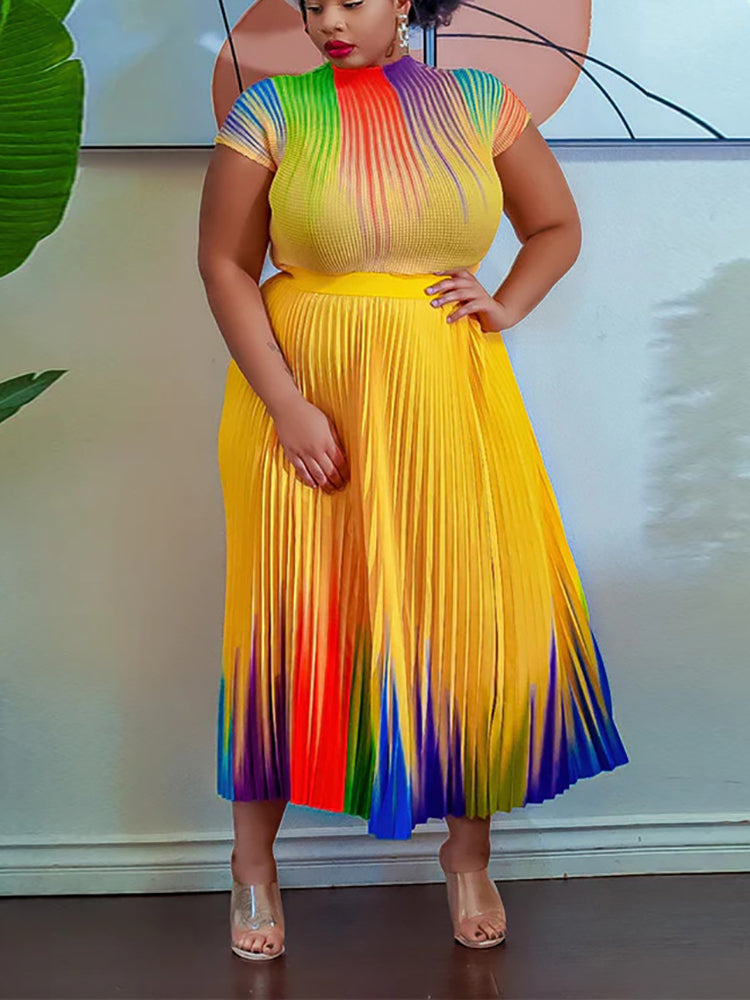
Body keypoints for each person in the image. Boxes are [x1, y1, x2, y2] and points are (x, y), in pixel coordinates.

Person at [197, 0, 629, 962]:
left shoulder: (479, 102)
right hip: (303, 395)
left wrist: (506, 302)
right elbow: (224, 265)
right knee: (289, 617)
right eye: (313, 2)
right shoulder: (271, 111)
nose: (329, 20)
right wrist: (286, 406)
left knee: (462, 611)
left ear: (405, 1)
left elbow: (555, 225)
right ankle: (252, 863)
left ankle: (468, 855)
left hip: (448, 395)